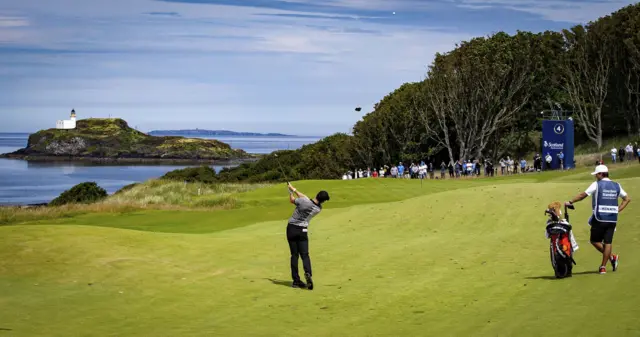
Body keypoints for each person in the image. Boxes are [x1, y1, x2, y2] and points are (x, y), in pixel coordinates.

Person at [566, 165, 631, 274]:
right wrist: (617, 210)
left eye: (596, 174)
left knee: (594, 240)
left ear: (601, 174)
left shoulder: (597, 184)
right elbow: (627, 199)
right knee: (608, 242)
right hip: (612, 218)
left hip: (599, 217)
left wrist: (571, 201)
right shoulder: (616, 185)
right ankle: (603, 267)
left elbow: (583, 195)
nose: (595, 176)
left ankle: (611, 258)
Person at [286, 182, 330, 289]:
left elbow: (292, 200)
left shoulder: (303, 202)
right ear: (322, 201)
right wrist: (294, 189)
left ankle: (296, 281)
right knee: (305, 255)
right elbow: (304, 198)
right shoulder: (318, 209)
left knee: (294, 255)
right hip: (302, 230)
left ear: (317, 194)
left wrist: (291, 192)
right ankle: (308, 273)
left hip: (291, 228)